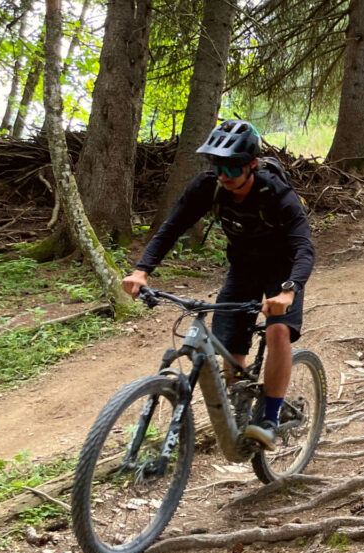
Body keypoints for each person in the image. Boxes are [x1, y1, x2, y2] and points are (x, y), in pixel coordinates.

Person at [122, 119, 315, 449]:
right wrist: (142, 270)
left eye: (232, 167)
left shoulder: (275, 193)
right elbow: (171, 227)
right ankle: (239, 412)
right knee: (231, 343)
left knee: (277, 330)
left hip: (282, 269)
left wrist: (288, 290)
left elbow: (303, 246)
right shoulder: (208, 186)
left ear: (251, 165)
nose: (224, 174)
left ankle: (269, 417)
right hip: (243, 267)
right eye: (217, 165)